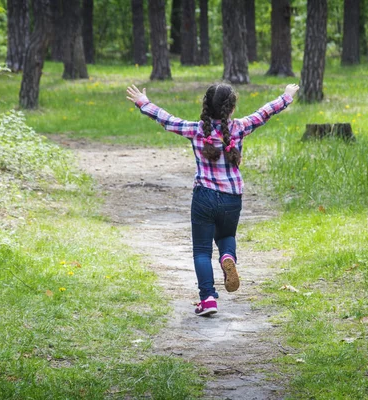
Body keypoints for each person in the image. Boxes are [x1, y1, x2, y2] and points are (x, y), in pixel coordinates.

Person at [126, 82, 299, 316]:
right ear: (232, 107)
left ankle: (207, 299)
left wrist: (143, 103)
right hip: (232, 197)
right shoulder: (240, 127)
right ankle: (227, 257)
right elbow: (264, 112)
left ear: (206, 105)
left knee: (201, 251)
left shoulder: (196, 130)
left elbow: (167, 120)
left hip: (204, 196)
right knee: (227, 236)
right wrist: (286, 96)